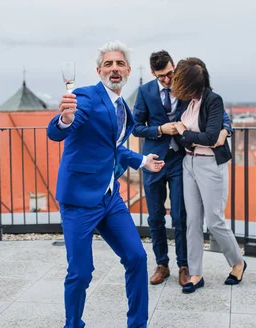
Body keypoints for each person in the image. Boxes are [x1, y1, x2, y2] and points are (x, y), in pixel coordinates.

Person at [47, 41, 165, 328]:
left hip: (110, 198)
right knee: (81, 272)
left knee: (137, 257)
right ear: (99, 71)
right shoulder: (85, 97)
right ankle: (73, 324)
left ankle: (138, 324)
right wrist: (65, 118)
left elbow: (113, 148)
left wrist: (140, 161)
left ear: (127, 70)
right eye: (108, 64)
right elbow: (57, 131)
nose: (114, 68)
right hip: (79, 200)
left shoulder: (124, 108)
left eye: (119, 63)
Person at [132, 49, 233, 287]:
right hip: (154, 161)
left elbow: (218, 113)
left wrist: (226, 130)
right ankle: (162, 264)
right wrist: (159, 130)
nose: (167, 80)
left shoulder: (186, 86)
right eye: (161, 77)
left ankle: (184, 266)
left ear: (174, 66)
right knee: (155, 216)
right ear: (152, 73)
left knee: (181, 216)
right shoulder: (145, 92)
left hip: (181, 160)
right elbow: (136, 127)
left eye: (169, 74)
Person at [169, 57, 245, 294]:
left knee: (214, 220)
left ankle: (238, 262)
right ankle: (196, 273)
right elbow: (186, 134)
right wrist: (188, 134)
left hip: (211, 165)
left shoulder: (213, 100)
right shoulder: (186, 102)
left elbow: (211, 138)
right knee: (193, 220)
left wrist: (186, 132)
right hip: (189, 163)